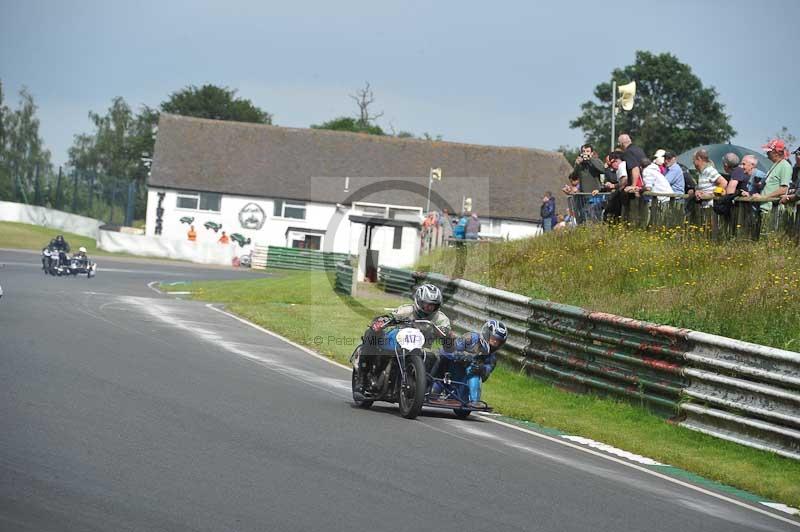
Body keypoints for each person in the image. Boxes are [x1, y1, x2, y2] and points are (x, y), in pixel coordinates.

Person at [357, 284, 453, 393]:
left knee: (435, 357)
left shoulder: (441, 318)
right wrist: (380, 322)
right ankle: (363, 376)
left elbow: (446, 333)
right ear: (419, 301)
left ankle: (424, 386)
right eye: (426, 304)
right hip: (399, 344)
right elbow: (390, 316)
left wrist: (446, 334)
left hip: (422, 349)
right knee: (371, 333)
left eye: (433, 305)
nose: (430, 307)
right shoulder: (406, 310)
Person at [431, 320, 507, 407]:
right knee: (439, 362)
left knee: (474, 371)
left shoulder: (492, 358)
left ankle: (475, 401)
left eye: (498, 342)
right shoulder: (471, 338)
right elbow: (447, 350)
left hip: (462, 379)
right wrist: (461, 356)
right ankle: (428, 387)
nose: (495, 343)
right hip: (448, 370)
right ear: (486, 334)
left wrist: (482, 369)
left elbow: (486, 375)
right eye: (493, 339)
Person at [742, 139, 792, 213]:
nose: (767, 154)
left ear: (776, 152)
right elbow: (769, 187)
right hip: (765, 208)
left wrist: (763, 197)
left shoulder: (785, 166)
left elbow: (783, 189)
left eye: (769, 151)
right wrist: (750, 194)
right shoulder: (775, 165)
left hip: (773, 211)